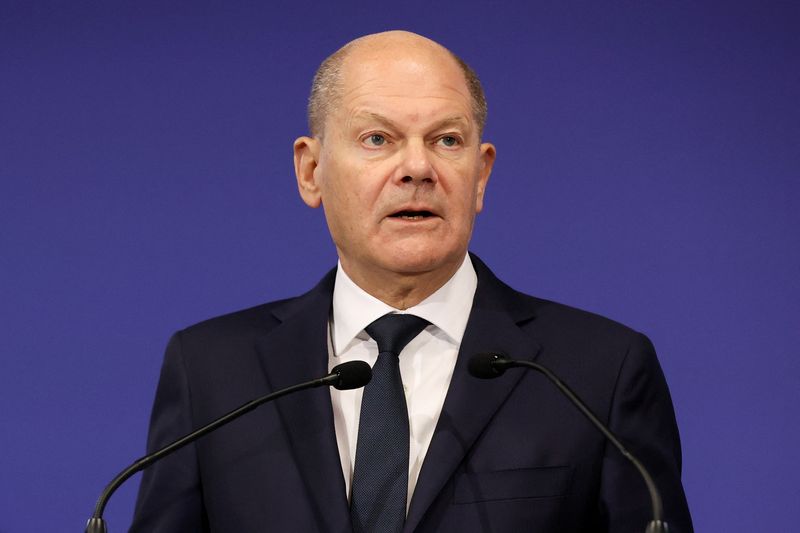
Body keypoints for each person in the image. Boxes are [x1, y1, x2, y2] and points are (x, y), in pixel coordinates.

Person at [131, 31, 693, 532]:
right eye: (377, 138)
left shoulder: (597, 372)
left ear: (481, 174)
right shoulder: (212, 370)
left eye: (447, 140)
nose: (417, 168)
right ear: (311, 170)